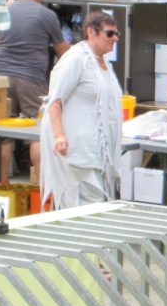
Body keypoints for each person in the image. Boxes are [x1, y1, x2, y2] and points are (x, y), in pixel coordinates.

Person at [0, 0, 70, 184]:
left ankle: (2, 184)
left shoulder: (4, 10)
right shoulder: (46, 15)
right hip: (31, 79)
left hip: (0, 78)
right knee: (37, 132)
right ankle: (40, 184)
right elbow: (63, 50)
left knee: (2, 131)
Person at [39, 11, 123, 209]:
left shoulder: (103, 64)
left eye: (117, 34)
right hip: (78, 152)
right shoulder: (75, 59)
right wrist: (59, 136)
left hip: (100, 155)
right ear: (91, 32)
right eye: (110, 33)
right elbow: (55, 101)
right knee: (85, 212)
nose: (115, 38)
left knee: (96, 210)